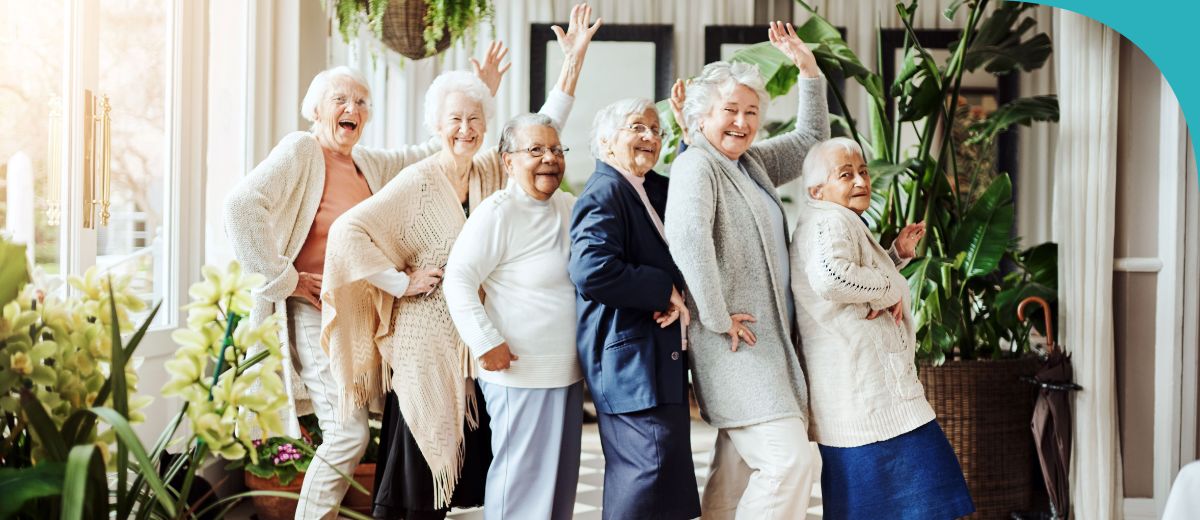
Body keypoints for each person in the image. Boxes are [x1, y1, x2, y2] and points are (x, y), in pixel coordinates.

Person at [320, 7, 598, 519]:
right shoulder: (416, 180)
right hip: (427, 340)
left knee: (482, 469)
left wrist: (573, 63)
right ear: (435, 125)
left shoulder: (495, 168)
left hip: (477, 340)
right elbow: (349, 233)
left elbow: (544, 127)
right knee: (420, 469)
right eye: (455, 120)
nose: (465, 129)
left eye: (475, 120)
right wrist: (399, 283)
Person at [223, 63, 451, 519]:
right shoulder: (303, 149)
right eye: (341, 99)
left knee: (354, 431)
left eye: (362, 102)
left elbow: (423, 154)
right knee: (348, 435)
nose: (353, 108)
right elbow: (241, 205)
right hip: (314, 311)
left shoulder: (367, 163)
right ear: (316, 109)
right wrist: (283, 277)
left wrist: (475, 95)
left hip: (358, 315)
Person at [662, 21, 829, 519]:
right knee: (789, 462)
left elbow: (811, 140)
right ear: (701, 117)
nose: (741, 121)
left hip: (768, 346)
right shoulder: (698, 164)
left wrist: (808, 70)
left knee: (737, 469)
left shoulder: (749, 163)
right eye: (729, 110)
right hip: (737, 345)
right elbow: (689, 240)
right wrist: (716, 317)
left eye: (750, 112)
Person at [790, 137, 973, 519]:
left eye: (862, 171)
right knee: (923, 496)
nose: (860, 181)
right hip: (867, 395)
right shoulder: (830, 220)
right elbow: (831, 277)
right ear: (816, 190)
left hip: (864, 394)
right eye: (845, 174)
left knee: (881, 504)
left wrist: (895, 258)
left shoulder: (832, 220)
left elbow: (850, 278)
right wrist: (891, 287)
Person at [443, 112, 587, 520]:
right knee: (520, 482)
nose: (549, 159)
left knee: (559, 486)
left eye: (557, 150)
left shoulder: (571, 207)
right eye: (536, 150)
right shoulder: (497, 212)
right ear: (508, 161)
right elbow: (458, 279)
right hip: (519, 371)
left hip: (568, 370)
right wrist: (485, 341)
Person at [566, 97, 699, 519]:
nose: (650, 137)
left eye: (657, 131)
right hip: (630, 364)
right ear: (606, 142)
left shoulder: (647, 187)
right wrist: (663, 291)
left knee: (667, 482)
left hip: (658, 360)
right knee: (645, 477)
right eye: (637, 128)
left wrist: (688, 136)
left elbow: (691, 190)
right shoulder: (604, 191)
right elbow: (592, 270)